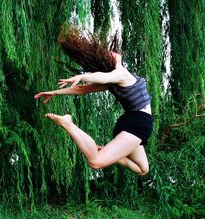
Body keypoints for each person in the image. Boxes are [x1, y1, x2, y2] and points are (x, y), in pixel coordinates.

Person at [34, 28, 153, 176]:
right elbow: (94, 82)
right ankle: (68, 124)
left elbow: (83, 89)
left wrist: (78, 80)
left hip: (136, 123)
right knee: (95, 162)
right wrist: (58, 90)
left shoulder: (120, 75)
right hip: (137, 123)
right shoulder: (119, 74)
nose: (113, 53)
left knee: (143, 169)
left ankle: (109, 151)